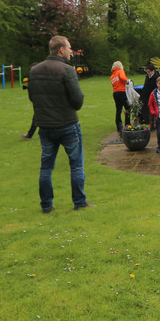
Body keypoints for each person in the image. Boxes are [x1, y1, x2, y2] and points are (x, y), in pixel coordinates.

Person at [27, 35, 91, 212]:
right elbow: (78, 101)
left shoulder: (34, 71)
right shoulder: (67, 70)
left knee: (46, 167)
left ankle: (46, 205)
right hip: (67, 124)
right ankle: (79, 202)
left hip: (45, 126)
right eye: (69, 48)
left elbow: (32, 97)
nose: (71, 51)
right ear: (61, 50)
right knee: (76, 165)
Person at [110, 61, 130, 135]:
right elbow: (123, 78)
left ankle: (119, 126)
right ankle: (127, 124)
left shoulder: (112, 76)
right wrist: (127, 82)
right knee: (127, 108)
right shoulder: (120, 72)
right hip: (122, 91)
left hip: (115, 93)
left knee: (118, 110)